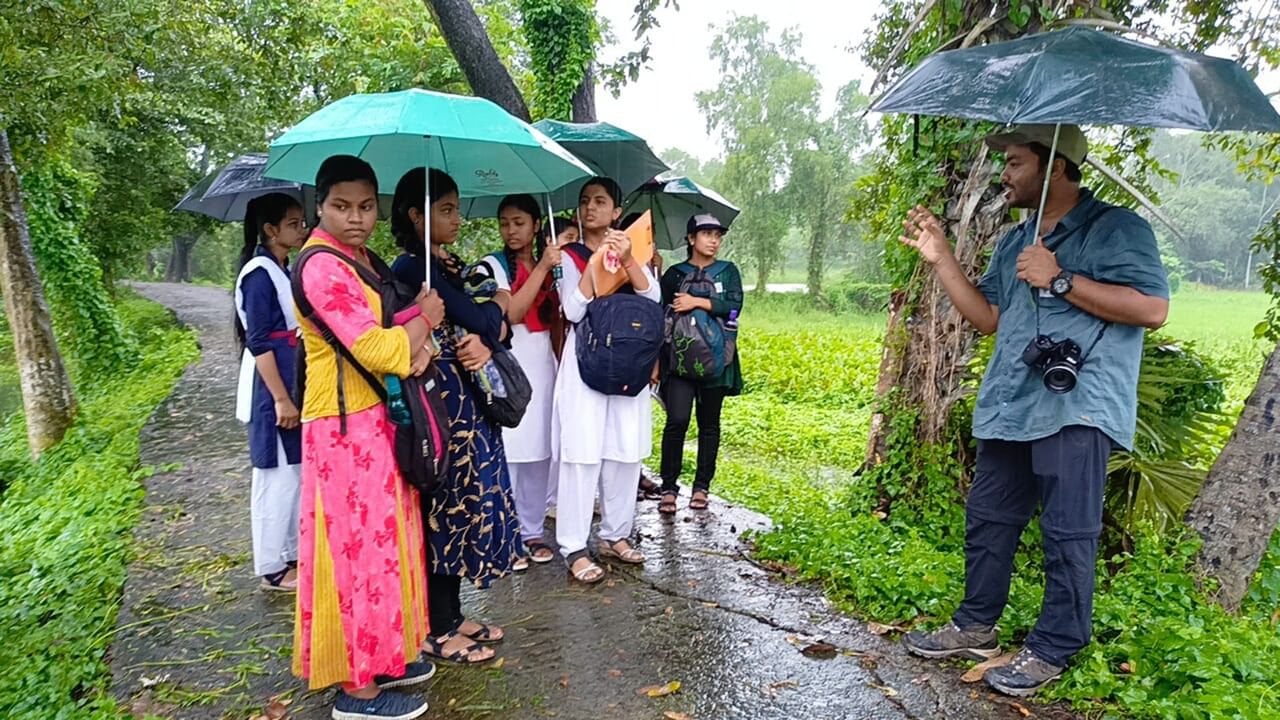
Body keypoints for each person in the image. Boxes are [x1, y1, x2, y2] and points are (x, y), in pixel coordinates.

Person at [899, 125, 1169, 696]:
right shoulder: (1014, 240)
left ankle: (1055, 646)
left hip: (1078, 406)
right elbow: (989, 317)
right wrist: (942, 258)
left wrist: (1062, 278)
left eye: (1016, 163)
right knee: (990, 518)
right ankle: (976, 624)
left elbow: (1152, 308)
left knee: (1069, 531)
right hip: (1010, 402)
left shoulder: (1117, 229)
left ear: (1057, 169)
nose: (1005, 174)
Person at [293, 155, 444, 720]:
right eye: (340, 207)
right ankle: (356, 691)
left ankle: (384, 653)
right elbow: (378, 349)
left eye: (364, 207)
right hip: (341, 429)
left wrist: (414, 328)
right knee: (354, 554)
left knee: (388, 546)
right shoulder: (321, 267)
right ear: (320, 206)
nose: (354, 218)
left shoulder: (357, 257)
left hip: (374, 422)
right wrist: (425, 321)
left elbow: (393, 333)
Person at [390, 168, 520, 665]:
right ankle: (435, 626)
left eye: (456, 208)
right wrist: (493, 310)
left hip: (466, 405)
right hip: (441, 411)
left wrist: (490, 315)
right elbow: (490, 318)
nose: (457, 218)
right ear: (416, 216)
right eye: (445, 210)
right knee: (444, 510)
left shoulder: (443, 267)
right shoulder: (409, 270)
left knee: (463, 509)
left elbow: (493, 326)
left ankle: (452, 613)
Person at [552, 177, 662, 583]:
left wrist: (629, 260)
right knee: (582, 453)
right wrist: (596, 263)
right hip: (587, 360)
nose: (590, 208)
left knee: (625, 449)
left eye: (600, 202)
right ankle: (574, 545)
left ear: (617, 211)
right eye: (585, 202)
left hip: (629, 359)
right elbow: (573, 310)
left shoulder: (639, 247)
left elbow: (652, 301)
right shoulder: (573, 254)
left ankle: (615, 533)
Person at [479, 194, 562, 567]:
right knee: (510, 449)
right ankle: (504, 533)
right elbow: (511, 312)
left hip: (545, 361)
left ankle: (531, 530)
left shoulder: (555, 263)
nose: (511, 231)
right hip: (509, 363)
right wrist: (543, 266)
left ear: (535, 225)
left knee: (539, 448)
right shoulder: (492, 266)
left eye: (519, 223)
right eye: (504, 223)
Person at [232, 192, 307, 592]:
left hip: (291, 376)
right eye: (294, 223)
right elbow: (258, 341)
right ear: (270, 229)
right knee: (275, 475)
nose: (301, 229)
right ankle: (271, 565)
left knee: (294, 473)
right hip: (272, 383)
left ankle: (292, 552)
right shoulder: (259, 274)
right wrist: (280, 397)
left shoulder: (282, 267)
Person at [657, 213, 743, 514]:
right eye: (707, 234)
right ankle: (668, 486)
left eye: (717, 235)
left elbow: (735, 305)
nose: (714, 241)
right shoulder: (674, 273)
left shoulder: (728, 272)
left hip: (717, 358)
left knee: (709, 425)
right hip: (678, 359)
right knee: (677, 420)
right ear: (691, 239)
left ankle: (702, 487)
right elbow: (660, 311)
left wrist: (698, 302)